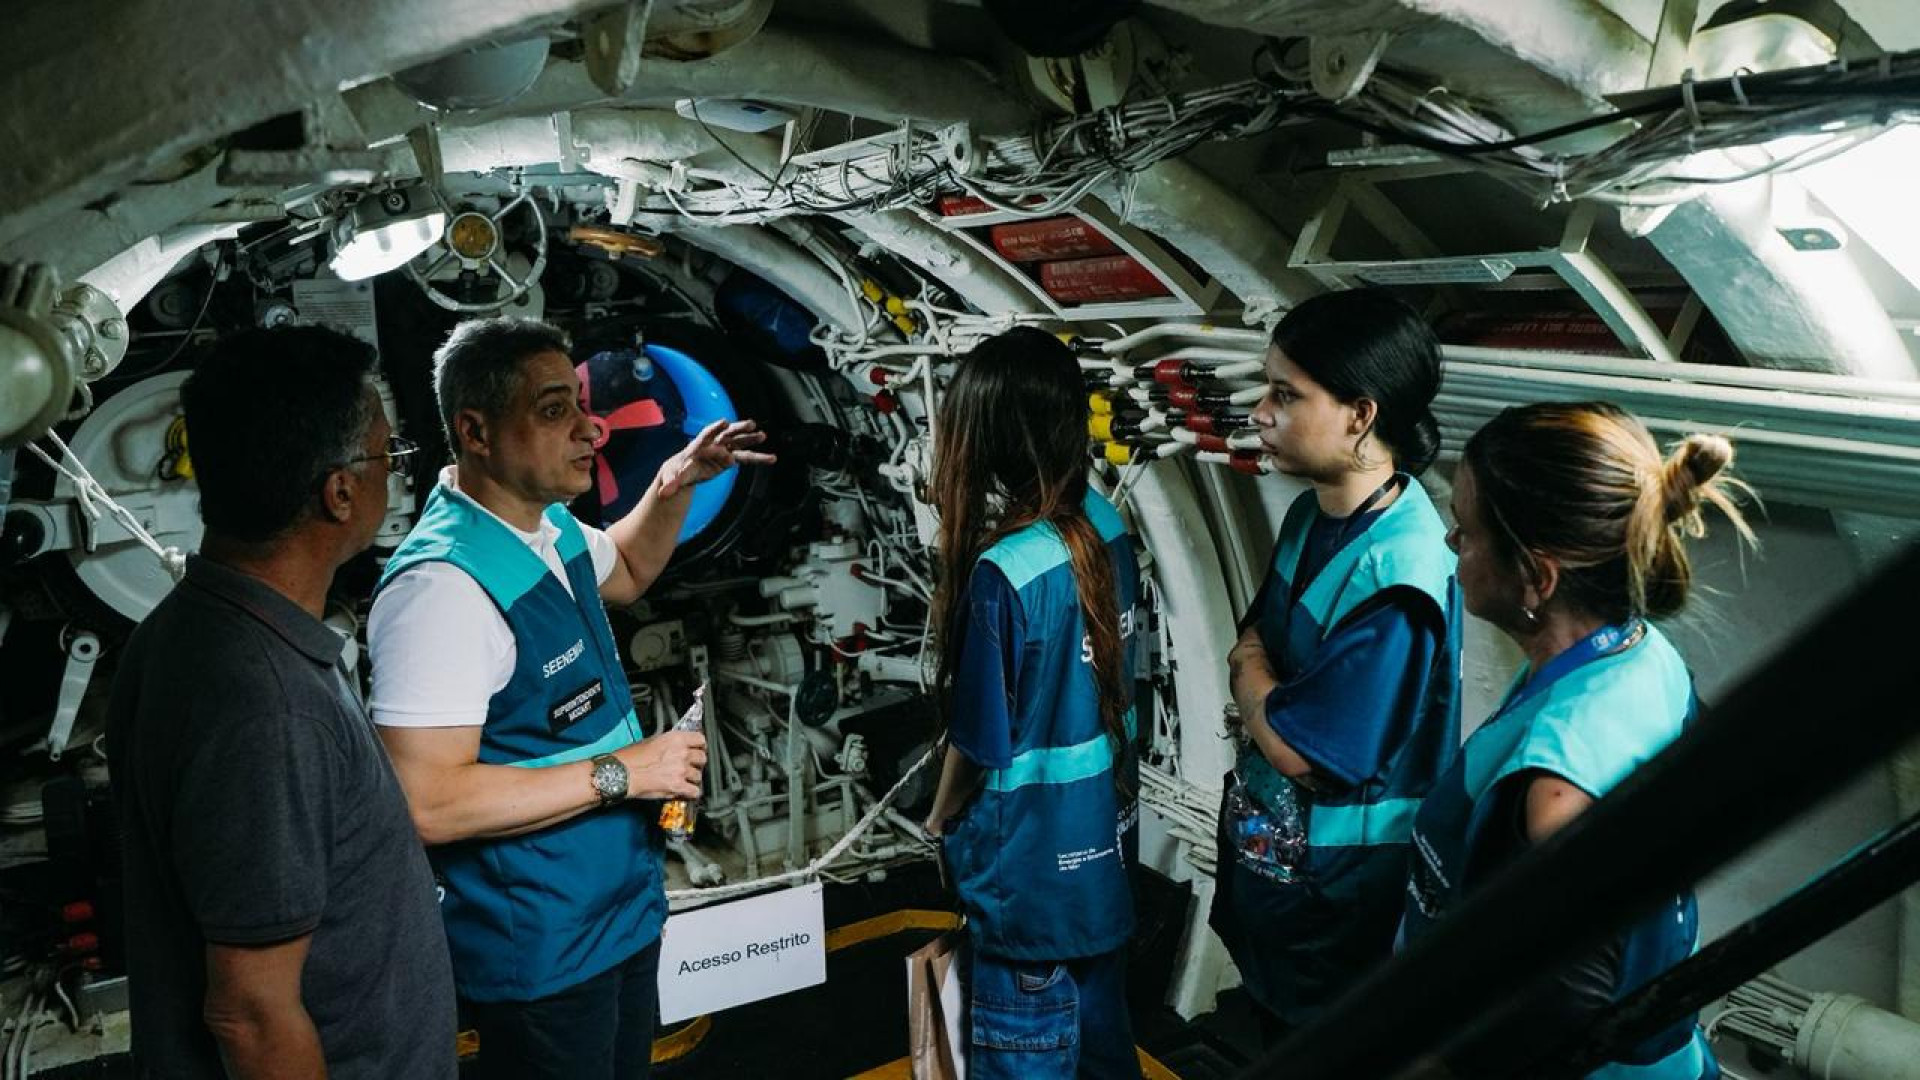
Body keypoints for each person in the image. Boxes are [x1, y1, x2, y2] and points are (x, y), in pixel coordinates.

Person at [367, 317, 772, 1080]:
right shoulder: (442, 591)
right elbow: (426, 803)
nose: (590, 429)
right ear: (476, 431)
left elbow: (624, 567)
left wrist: (673, 484)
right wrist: (629, 772)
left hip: (615, 913)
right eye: (554, 410)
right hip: (544, 949)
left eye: (580, 405)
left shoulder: (545, 528)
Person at [106, 325, 456, 1080]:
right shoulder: (267, 706)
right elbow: (251, 1013)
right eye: (386, 456)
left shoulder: (191, 628)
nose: (392, 475)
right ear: (338, 491)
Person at [1402, 401, 1752, 1077]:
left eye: (1467, 533)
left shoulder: (1556, 791)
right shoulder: (1643, 659)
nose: (1451, 545)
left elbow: (1551, 1021)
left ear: (1537, 576)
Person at [1209, 288, 1463, 1037]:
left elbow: (1300, 751)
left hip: (1337, 910)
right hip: (1280, 886)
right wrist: (1260, 687)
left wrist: (1251, 684)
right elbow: (1252, 653)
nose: (1261, 412)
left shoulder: (1399, 572)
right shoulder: (1308, 514)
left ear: (1361, 414)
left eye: (1286, 395)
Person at [921, 327, 1144, 1080]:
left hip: (1028, 888)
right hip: (1103, 866)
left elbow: (979, 745)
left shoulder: (1004, 571)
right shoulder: (1111, 531)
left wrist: (939, 820)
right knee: (1107, 1057)